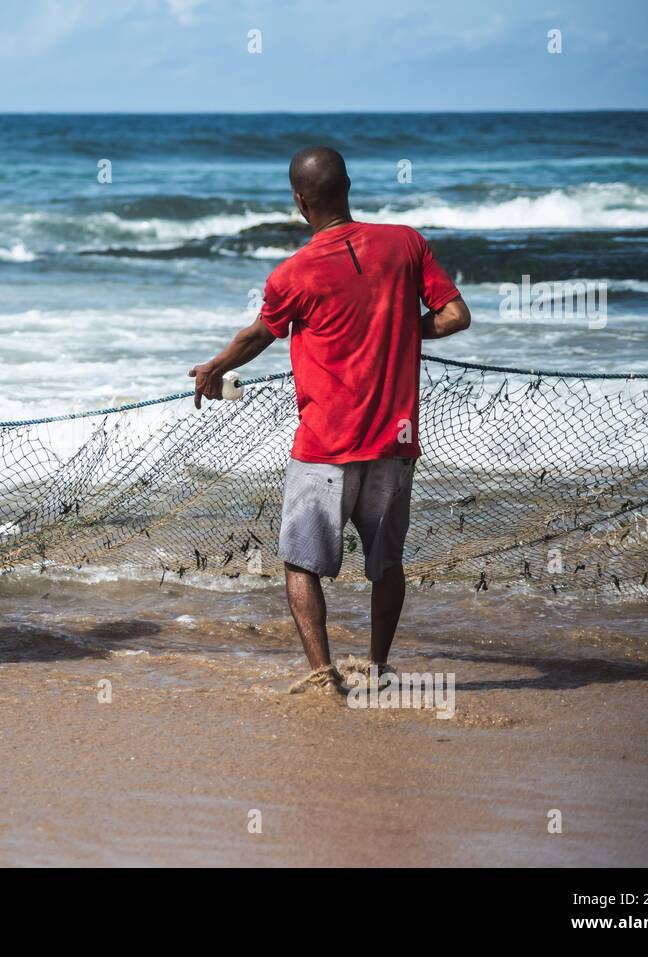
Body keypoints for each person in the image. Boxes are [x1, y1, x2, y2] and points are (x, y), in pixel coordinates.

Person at [188, 147, 471, 695]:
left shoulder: (292, 274)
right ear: (347, 187)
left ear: (299, 202)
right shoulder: (406, 243)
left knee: (300, 564)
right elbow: (455, 316)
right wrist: (401, 331)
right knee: (386, 564)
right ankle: (379, 668)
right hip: (396, 442)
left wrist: (213, 367)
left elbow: (258, 335)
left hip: (326, 448)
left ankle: (323, 676)